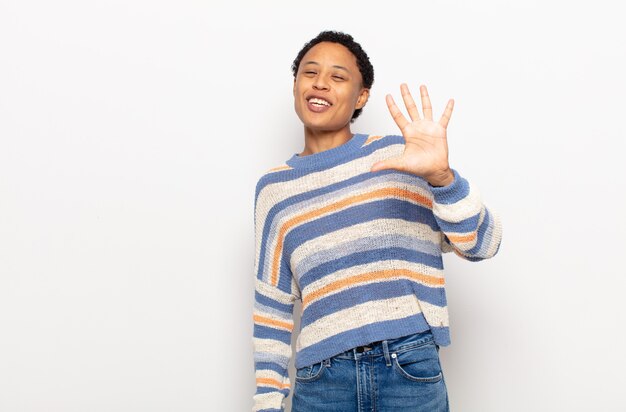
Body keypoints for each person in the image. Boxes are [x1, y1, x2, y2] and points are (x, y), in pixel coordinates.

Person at [251, 30, 502, 412]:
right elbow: (272, 305)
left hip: (408, 369)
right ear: (296, 84)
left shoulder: (398, 159)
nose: (320, 83)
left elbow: (483, 244)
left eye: (338, 77)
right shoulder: (274, 189)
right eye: (309, 72)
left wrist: (443, 178)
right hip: (322, 382)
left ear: (361, 95)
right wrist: (267, 402)